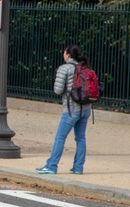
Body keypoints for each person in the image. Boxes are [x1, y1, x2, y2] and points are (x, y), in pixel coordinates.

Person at [36, 45, 92, 175]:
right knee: (80, 138)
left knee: (60, 137)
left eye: (64, 52)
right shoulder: (85, 68)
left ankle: (51, 166)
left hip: (71, 109)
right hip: (86, 108)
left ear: (67, 55)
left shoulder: (64, 68)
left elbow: (58, 90)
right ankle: (78, 167)